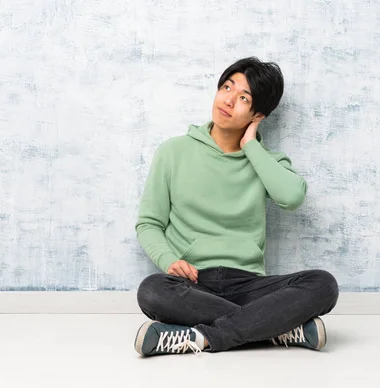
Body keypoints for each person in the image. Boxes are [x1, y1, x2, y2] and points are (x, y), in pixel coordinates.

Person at [133, 57, 339, 356]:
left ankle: (201, 338)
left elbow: (292, 197)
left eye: (244, 98)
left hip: (249, 284)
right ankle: (276, 329)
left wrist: (251, 146)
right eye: (227, 87)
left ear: (258, 114)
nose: (229, 100)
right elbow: (148, 223)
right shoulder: (173, 152)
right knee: (152, 290)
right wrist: (169, 260)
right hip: (193, 282)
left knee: (324, 284)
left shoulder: (265, 160)